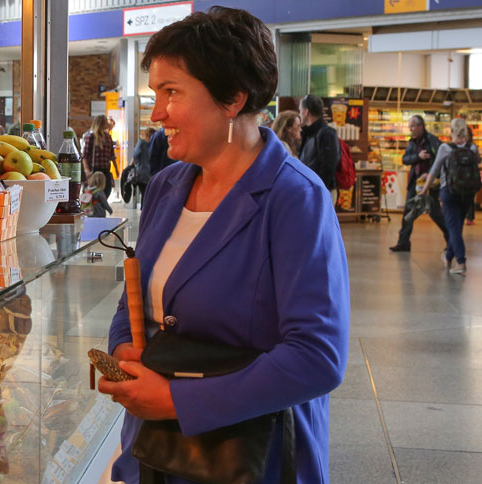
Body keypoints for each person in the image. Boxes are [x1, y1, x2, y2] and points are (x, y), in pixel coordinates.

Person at [96, 7, 350, 484]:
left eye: (172, 92)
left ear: (233, 98)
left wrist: (178, 401)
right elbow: (139, 295)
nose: (156, 113)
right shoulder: (167, 186)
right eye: (155, 93)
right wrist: (125, 348)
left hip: (250, 457)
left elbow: (318, 356)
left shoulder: (295, 197)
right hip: (155, 452)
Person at [419, 118, 479, 274]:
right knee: (456, 226)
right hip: (468, 193)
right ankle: (448, 255)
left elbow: (434, 170)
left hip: (449, 192)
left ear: (451, 131)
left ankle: (461, 262)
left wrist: (424, 189)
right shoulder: (473, 148)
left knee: (453, 227)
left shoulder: (445, 148)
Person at [389, 115, 448, 252]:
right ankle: (403, 242)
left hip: (430, 184)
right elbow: (405, 159)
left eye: (413, 126)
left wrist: (432, 175)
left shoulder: (432, 141)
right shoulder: (412, 142)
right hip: (415, 183)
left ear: (421, 126)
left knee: (435, 213)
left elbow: (440, 160)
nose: (411, 129)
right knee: (408, 212)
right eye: (410, 126)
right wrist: (418, 157)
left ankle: (451, 240)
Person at [299, 94, 341, 204]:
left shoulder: (326, 134)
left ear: (306, 112)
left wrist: (318, 190)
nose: (299, 115)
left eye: (300, 111)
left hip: (321, 192)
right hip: (312, 190)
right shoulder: (308, 133)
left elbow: (328, 166)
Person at [81, 115, 115, 199]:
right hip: (94, 169)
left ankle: (100, 209)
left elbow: (111, 155)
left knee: (107, 190)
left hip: (106, 170)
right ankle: (95, 210)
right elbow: (84, 155)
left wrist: (116, 170)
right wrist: (87, 170)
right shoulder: (91, 137)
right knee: (93, 192)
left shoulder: (108, 137)